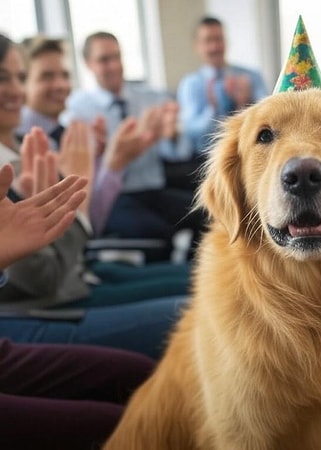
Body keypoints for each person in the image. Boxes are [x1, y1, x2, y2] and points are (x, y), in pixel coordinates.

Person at [0, 33, 187, 359]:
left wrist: (107, 164)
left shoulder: (27, 143)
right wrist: (99, 174)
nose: (59, 85)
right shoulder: (22, 154)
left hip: (79, 276)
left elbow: (80, 235)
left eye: (63, 75)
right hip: (57, 300)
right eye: (45, 76)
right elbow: (47, 274)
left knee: (204, 277)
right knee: (201, 306)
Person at [0, 164, 157, 450]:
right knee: (130, 424)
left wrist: (106, 171)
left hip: (81, 282)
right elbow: (47, 278)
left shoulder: (25, 153)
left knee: (138, 374)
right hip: (54, 305)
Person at [61, 31, 202, 244]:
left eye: (117, 57)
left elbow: (179, 153)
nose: (114, 65)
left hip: (154, 189)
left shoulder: (151, 98)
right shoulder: (77, 110)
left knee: (208, 213)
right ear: (88, 64)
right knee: (155, 232)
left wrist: (171, 134)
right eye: (104, 60)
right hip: (115, 199)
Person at [176, 16, 268, 179]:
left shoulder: (251, 77)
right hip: (206, 164)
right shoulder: (191, 84)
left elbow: (270, 116)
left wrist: (245, 104)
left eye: (218, 39)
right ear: (197, 46)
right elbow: (190, 132)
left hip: (251, 157)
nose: (214, 47)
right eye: (208, 41)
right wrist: (211, 109)